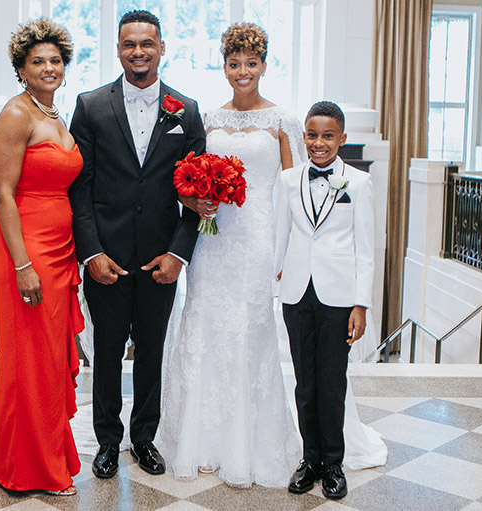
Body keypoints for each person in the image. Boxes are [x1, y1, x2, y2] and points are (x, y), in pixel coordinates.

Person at [157, 23, 302, 488]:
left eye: (251, 63)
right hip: (212, 239)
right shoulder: (209, 120)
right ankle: (200, 441)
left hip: (258, 242)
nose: (243, 72)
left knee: (249, 330)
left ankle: (248, 444)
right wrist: (196, 198)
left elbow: (295, 191)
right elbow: (182, 178)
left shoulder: (282, 121)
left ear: (264, 64)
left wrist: (287, 252)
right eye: (234, 63)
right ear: (224, 66)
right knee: (204, 324)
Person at [68, 10, 206, 479]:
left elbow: (198, 191)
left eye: (147, 43)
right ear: (119, 50)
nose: (138, 52)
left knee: (152, 350)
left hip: (159, 258)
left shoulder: (185, 110)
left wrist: (178, 253)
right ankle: (108, 441)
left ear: (162, 48)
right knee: (106, 352)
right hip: (106, 256)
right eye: (129, 44)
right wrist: (90, 253)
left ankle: (144, 438)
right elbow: (78, 188)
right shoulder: (90, 106)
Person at [0, 19, 83, 496]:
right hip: (24, 247)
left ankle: (17, 458)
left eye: (55, 60)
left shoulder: (55, 114)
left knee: (41, 360)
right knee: (31, 360)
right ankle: (34, 470)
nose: (48, 67)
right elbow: (3, 194)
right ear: (21, 69)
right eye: (37, 61)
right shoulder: (15, 114)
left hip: (59, 249)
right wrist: (23, 265)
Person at [274, 101, 375, 500]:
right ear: (304, 138)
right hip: (297, 292)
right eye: (312, 135)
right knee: (304, 383)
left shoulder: (360, 184)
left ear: (342, 139)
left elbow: (366, 249)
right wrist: (271, 280)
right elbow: (280, 235)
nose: (319, 143)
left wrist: (361, 304)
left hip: (338, 296)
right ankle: (310, 459)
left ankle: (334, 464)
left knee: (331, 382)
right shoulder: (288, 180)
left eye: (328, 136)